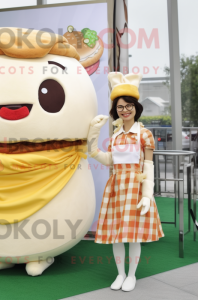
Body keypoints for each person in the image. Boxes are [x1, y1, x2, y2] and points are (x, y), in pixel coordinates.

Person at [87, 72, 164, 292]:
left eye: (129, 105)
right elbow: (109, 159)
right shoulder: (115, 137)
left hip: (135, 187)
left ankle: (132, 275)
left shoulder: (145, 134)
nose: (125, 110)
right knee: (117, 235)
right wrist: (93, 149)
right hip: (116, 187)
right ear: (115, 110)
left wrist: (148, 195)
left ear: (136, 107)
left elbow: (148, 165)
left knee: (133, 235)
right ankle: (120, 274)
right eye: (120, 107)